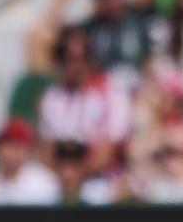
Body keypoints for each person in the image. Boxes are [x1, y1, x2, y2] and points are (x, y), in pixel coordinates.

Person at [37, 28, 132, 180]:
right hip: (61, 180)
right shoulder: (52, 98)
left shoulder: (112, 94)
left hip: (103, 179)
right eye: (71, 59)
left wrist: (75, 178)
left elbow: (107, 152)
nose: (77, 66)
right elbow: (47, 153)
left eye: (82, 58)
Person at [0, 118, 61, 206]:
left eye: (13, 146)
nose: (7, 152)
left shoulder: (43, 181)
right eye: (2, 145)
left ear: (27, 149)